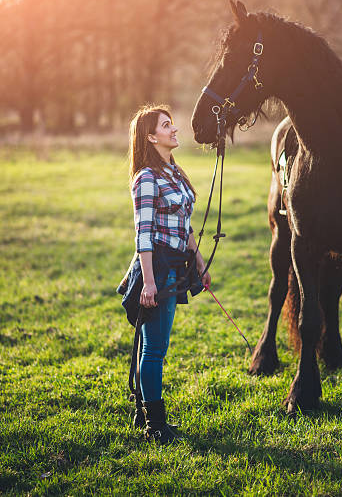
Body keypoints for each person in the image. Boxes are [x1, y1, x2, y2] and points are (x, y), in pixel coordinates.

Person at [126, 104, 210, 445]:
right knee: (154, 349)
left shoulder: (173, 171)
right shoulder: (146, 177)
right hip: (157, 266)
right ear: (151, 136)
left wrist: (200, 263)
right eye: (166, 125)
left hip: (176, 264)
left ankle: (147, 414)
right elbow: (143, 234)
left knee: (155, 345)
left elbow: (185, 223)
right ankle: (155, 426)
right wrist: (148, 281)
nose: (174, 129)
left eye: (172, 123)